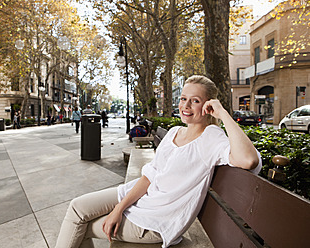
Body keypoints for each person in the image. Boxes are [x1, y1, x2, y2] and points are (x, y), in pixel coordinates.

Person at [55, 75, 262, 248]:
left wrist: (223, 114)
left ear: (208, 105)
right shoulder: (175, 132)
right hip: (141, 198)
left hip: (156, 220)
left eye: (195, 101)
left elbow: (248, 160)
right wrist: (119, 208)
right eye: (183, 99)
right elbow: (149, 177)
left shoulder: (211, 137)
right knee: (77, 208)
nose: (186, 106)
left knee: (81, 227)